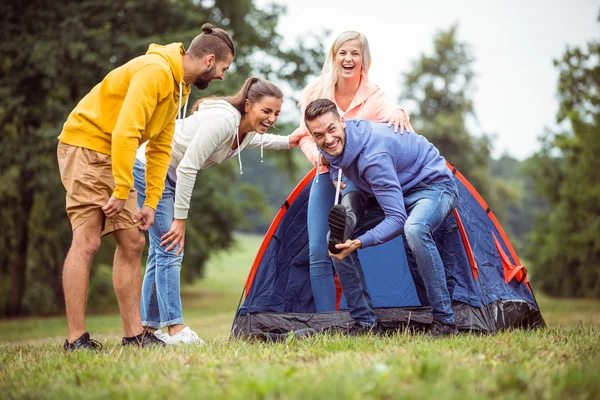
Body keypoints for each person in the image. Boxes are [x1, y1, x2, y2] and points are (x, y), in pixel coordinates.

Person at [57, 23, 235, 351]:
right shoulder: (155, 72)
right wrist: (123, 189)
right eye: (224, 68)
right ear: (209, 60)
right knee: (88, 240)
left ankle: (134, 335)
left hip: (114, 154)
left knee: (133, 241)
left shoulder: (178, 87)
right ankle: (75, 338)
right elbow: (127, 131)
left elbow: (159, 147)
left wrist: (151, 200)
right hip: (86, 145)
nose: (223, 76)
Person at [133, 77, 302, 344]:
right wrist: (180, 220)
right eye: (266, 111)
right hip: (150, 166)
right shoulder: (224, 121)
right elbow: (189, 166)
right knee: (170, 246)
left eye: (277, 113)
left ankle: (146, 332)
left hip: (169, 173)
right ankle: (176, 330)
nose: (271, 118)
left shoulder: (245, 130)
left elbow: (259, 141)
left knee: (161, 250)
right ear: (248, 105)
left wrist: (290, 141)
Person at [304, 98, 459, 337]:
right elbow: (332, 156)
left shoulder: (373, 157)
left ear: (342, 123)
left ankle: (445, 322)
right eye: (319, 135)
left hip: (432, 187)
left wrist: (359, 242)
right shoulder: (334, 143)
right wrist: (335, 175)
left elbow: (397, 219)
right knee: (335, 240)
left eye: (331, 129)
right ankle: (365, 323)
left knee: (414, 229)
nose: (327, 139)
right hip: (387, 191)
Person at [290, 31, 413, 312]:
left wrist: (400, 112)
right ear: (333, 58)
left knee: (340, 242)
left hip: (357, 181)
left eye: (354, 53)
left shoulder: (375, 96)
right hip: (324, 174)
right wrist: (319, 159)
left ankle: (361, 314)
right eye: (342, 53)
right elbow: (304, 136)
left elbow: (398, 135)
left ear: (363, 59)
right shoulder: (315, 92)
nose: (348, 59)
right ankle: (326, 321)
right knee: (318, 251)